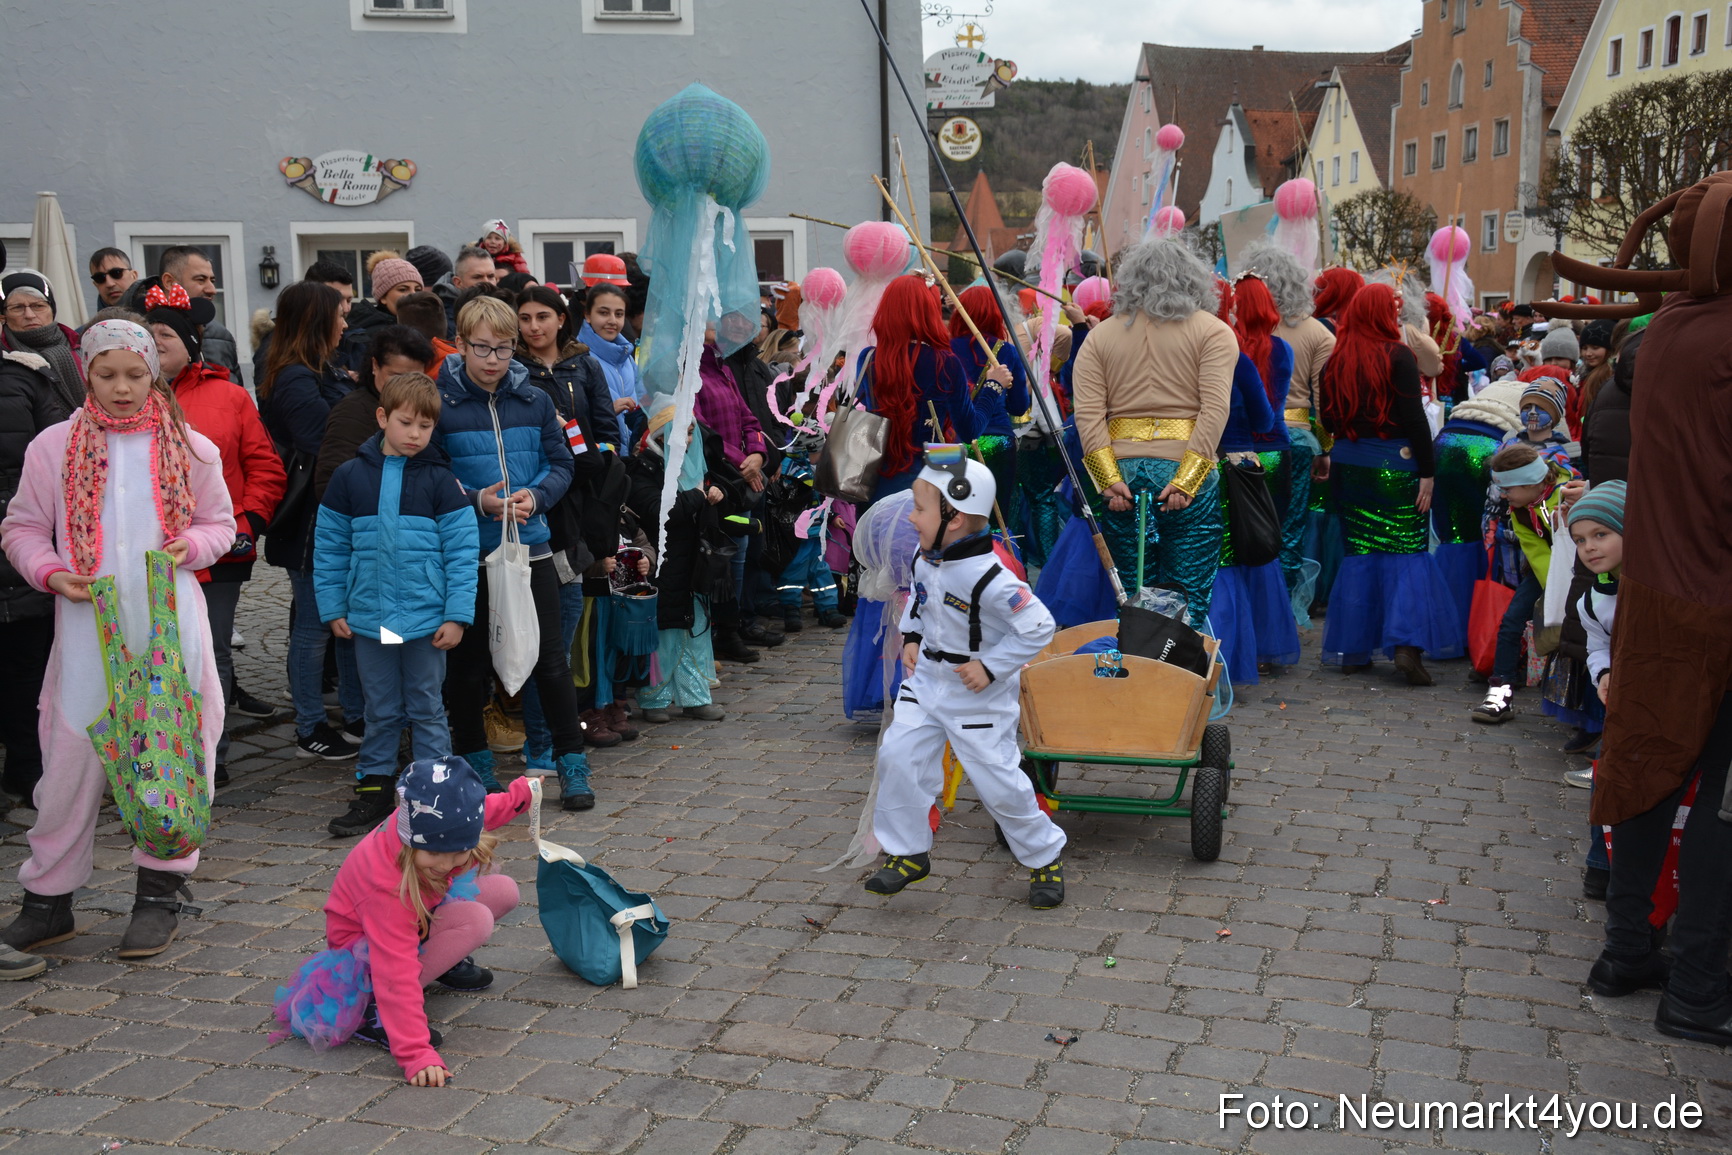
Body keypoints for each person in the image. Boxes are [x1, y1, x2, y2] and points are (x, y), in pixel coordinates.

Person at [0, 320, 235, 959]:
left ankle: (160, 891)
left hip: (169, 623)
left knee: (176, 752)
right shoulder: (54, 446)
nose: (123, 388)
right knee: (71, 756)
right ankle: (48, 900)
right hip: (85, 627)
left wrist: (195, 545)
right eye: (107, 375)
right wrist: (50, 572)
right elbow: (21, 528)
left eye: (135, 373)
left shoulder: (191, 445)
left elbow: (221, 522)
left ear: (153, 370)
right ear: (86, 373)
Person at [867, 451, 1065, 909]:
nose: (912, 518)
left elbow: (1038, 626)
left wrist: (992, 666)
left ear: (953, 517)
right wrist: (912, 636)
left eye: (920, 509)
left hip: (977, 694)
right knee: (897, 756)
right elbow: (920, 602)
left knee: (998, 782)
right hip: (927, 680)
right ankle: (908, 852)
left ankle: (1044, 856)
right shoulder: (925, 558)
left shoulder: (992, 576)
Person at [433, 295, 593, 810]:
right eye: (481, 348)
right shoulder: (442, 401)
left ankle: (572, 762)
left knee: (550, 659)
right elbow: (431, 474)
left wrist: (536, 495)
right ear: (460, 345)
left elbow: (562, 463)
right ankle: (475, 766)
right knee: (469, 665)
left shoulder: (534, 398)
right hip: (469, 552)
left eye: (503, 349)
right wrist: (478, 500)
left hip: (532, 545)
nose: (493, 360)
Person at [316, 374, 480, 837]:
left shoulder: (442, 482)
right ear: (383, 418)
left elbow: (462, 553)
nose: (415, 434)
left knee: (427, 705)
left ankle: (434, 792)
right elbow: (329, 548)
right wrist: (333, 606)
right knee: (381, 707)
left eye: (425, 426)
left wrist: (456, 615)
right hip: (370, 620)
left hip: (427, 621)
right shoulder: (350, 478)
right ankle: (374, 787)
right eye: (406, 423)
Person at [306, 757, 535, 1084]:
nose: (445, 865)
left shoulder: (435, 821)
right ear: (410, 841)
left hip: (416, 917)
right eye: (435, 854)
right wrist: (416, 1053)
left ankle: (442, 960)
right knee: (476, 918)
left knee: (504, 891)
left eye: (458, 853)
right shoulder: (386, 886)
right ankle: (374, 1012)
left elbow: (480, 810)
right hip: (367, 961)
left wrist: (524, 793)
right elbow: (393, 972)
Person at [147, 284, 290, 785]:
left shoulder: (228, 396)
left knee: (209, 649)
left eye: (165, 332)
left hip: (220, 550)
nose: (155, 340)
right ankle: (156, 752)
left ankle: (213, 753)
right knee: (151, 650)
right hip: (147, 552)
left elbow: (265, 466)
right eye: (148, 333)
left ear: (190, 341)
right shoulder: (120, 397)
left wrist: (248, 523)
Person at [1072, 239, 1234, 625]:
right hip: (1183, 468)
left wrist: (1106, 479)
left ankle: (1135, 670)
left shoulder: (1100, 336)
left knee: (1128, 588)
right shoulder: (1213, 332)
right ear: (1192, 279)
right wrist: (1187, 480)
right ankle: (1183, 677)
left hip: (1122, 474)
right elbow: (1214, 409)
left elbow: (1088, 413)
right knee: (1189, 591)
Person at [1316, 282, 1462, 684]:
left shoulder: (1337, 359)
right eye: (1394, 311)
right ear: (1381, 314)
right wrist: (1428, 473)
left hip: (1349, 465)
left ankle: (1354, 648)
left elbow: (1326, 420)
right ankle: (1406, 646)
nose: (1398, 318)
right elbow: (1415, 419)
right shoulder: (1398, 355)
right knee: (1406, 555)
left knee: (1360, 554)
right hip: (1395, 466)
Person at [513, 285, 623, 748]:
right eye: (525, 318)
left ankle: (575, 715)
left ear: (562, 319)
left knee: (573, 617)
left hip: (581, 505)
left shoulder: (585, 364)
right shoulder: (515, 371)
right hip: (535, 507)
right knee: (541, 627)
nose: (534, 327)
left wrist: (582, 448)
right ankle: (546, 729)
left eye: (543, 317)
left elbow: (607, 433)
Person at [259, 281, 363, 760]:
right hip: (309, 519)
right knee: (316, 624)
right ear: (316, 321)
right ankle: (309, 726)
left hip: (329, 512)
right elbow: (325, 442)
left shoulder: (322, 369)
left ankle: (354, 712)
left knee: (343, 620)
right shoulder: (297, 378)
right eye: (338, 315)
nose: (345, 322)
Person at [0, 286, 82, 813]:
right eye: (18, 307)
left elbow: (61, 459)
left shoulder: (24, 378)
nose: (29, 315)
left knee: (30, 659)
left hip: (24, 537)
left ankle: (29, 770)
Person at [623, 406, 742, 724]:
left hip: (693, 562)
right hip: (662, 563)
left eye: (691, 432)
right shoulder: (643, 467)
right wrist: (698, 496)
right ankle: (653, 698)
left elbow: (715, 500)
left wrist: (718, 494)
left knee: (692, 629)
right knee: (663, 631)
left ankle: (695, 697)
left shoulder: (693, 464)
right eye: (681, 432)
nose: (688, 439)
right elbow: (654, 510)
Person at [1209, 275, 1299, 685]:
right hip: (1249, 458)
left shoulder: (1192, 349)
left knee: (1212, 554)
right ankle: (1255, 646)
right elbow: (1268, 417)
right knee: (1255, 549)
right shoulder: (1255, 353)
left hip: (1192, 464)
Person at [1245, 240, 1334, 603]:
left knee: (1245, 524)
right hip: (1295, 439)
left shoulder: (1239, 328)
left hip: (1245, 438)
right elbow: (1322, 401)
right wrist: (1325, 448)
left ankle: (1253, 599)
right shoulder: (1318, 333)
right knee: (1290, 525)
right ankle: (1280, 604)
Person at [1470, 442, 1570, 723]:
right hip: (1546, 574)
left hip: (1580, 574)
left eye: (1508, 489)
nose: (1503, 495)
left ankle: (1579, 705)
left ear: (1531, 482)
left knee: (1578, 635)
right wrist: (1553, 595)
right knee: (1511, 622)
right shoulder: (1521, 509)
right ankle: (1500, 693)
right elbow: (1537, 554)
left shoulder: (1567, 496)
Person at [858, 275, 982, 500]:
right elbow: (969, 430)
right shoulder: (945, 362)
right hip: (935, 475)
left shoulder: (868, 359)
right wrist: (992, 387)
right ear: (928, 311)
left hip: (880, 477)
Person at [693, 330, 771, 664]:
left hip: (740, 481)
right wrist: (742, 462)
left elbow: (749, 419)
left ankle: (730, 630)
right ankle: (714, 634)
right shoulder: (690, 373)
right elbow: (701, 428)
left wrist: (756, 452)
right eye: (713, 322)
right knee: (719, 560)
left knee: (739, 558)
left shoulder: (722, 368)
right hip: (715, 479)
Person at [1564, 481, 1624, 899]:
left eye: (1601, 535)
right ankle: (1599, 863)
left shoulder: (1658, 587)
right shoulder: (1592, 599)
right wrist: (1602, 674)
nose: (1590, 547)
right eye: (1580, 540)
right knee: (1606, 780)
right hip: (1619, 704)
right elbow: (1597, 644)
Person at [1431, 378, 1524, 637]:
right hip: (1490, 446)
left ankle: (1446, 628)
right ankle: (1478, 628)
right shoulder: (1544, 396)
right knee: (1486, 535)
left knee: (1454, 538)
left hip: (1445, 441)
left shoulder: (1502, 386)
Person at [315, 325, 436, 500]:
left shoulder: (426, 409)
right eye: (395, 377)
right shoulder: (352, 412)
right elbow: (330, 483)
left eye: (414, 378)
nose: (404, 386)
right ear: (375, 365)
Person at [947, 285, 1025, 529]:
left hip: (953, 443)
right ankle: (1000, 561)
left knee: (955, 516)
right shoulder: (1007, 352)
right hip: (999, 441)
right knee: (998, 518)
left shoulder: (946, 350)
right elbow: (1019, 406)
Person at [255, 260, 357, 386]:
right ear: (312, 296)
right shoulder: (277, 345)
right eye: (336, 299)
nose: (346, 308)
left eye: (349, 300)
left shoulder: (350, 334)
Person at [153, 246, 243, 386]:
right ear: (169, 282)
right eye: (200, 280)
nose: (212, 290)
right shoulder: (141, 331)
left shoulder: (221, 335)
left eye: (212, 281)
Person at [1, 270, 84, 413]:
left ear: (52, 310)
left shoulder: (82, 346)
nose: (29, 315)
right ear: (4, 316)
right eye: (17, 308)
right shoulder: (3, 359)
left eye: (38, 306)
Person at [578, 282, 645, 449]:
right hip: (600, 459)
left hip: (631, 461)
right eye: (603, 313)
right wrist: (606, 412)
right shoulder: (577, 359)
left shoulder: (627, 357)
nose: (612, 321)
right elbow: (571, 420)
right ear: (587, 315)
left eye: (619, 314)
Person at [336, 258, 422, 374]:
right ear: (383, 297)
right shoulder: (367, 336)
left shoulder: (423, 326)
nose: (413, 295)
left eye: (418, 290)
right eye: (403, 289)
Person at [432, 246, 498, 338]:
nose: (486, 282)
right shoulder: (441, 317)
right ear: (458, 282)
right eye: (477, 277)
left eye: (491, 276)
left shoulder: (506, 307)